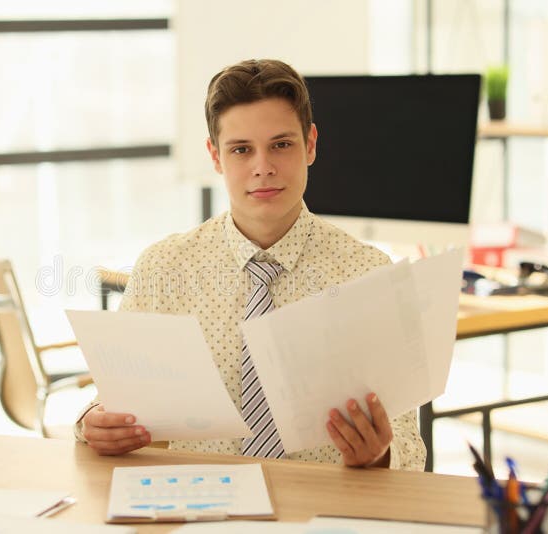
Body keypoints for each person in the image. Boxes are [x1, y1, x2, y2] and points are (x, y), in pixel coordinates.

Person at [74, 59, 426, 470]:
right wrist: (93, 423)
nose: (263, 167)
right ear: (215, 156)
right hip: (203, 508)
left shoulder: (368, 273)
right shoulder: (163, 268)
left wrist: (381, 455)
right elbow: (112, 403)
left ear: (310, 144)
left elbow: (408, 446)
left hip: (325, 510)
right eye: (241, 149)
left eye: (281, 144)